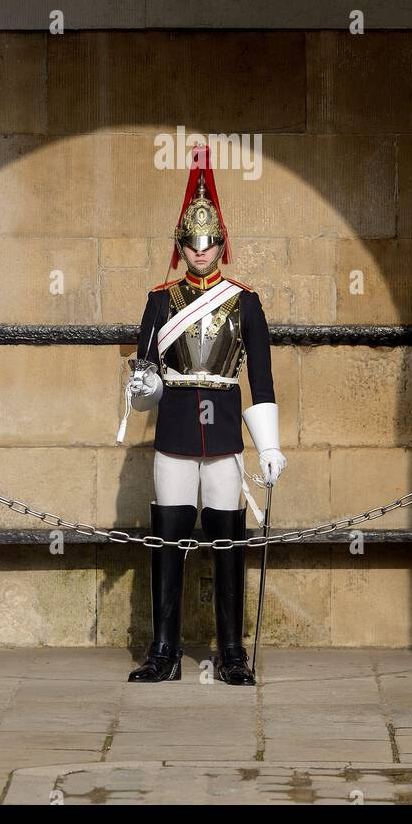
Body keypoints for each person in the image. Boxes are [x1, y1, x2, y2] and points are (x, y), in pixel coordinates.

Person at [123, 145, 287, 685]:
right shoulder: (159, 300)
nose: (200, 250)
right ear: (181, 245)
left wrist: (268, 447)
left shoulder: (246, 302)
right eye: (192, 242)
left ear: (221, 244)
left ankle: (233, 652)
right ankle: (164, 651)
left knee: (228, 543)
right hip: (172, 430)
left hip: (222, 434)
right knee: (167, 541)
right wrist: (142, 386)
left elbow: (258, 379)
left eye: (209, 240)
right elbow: (146, 379)